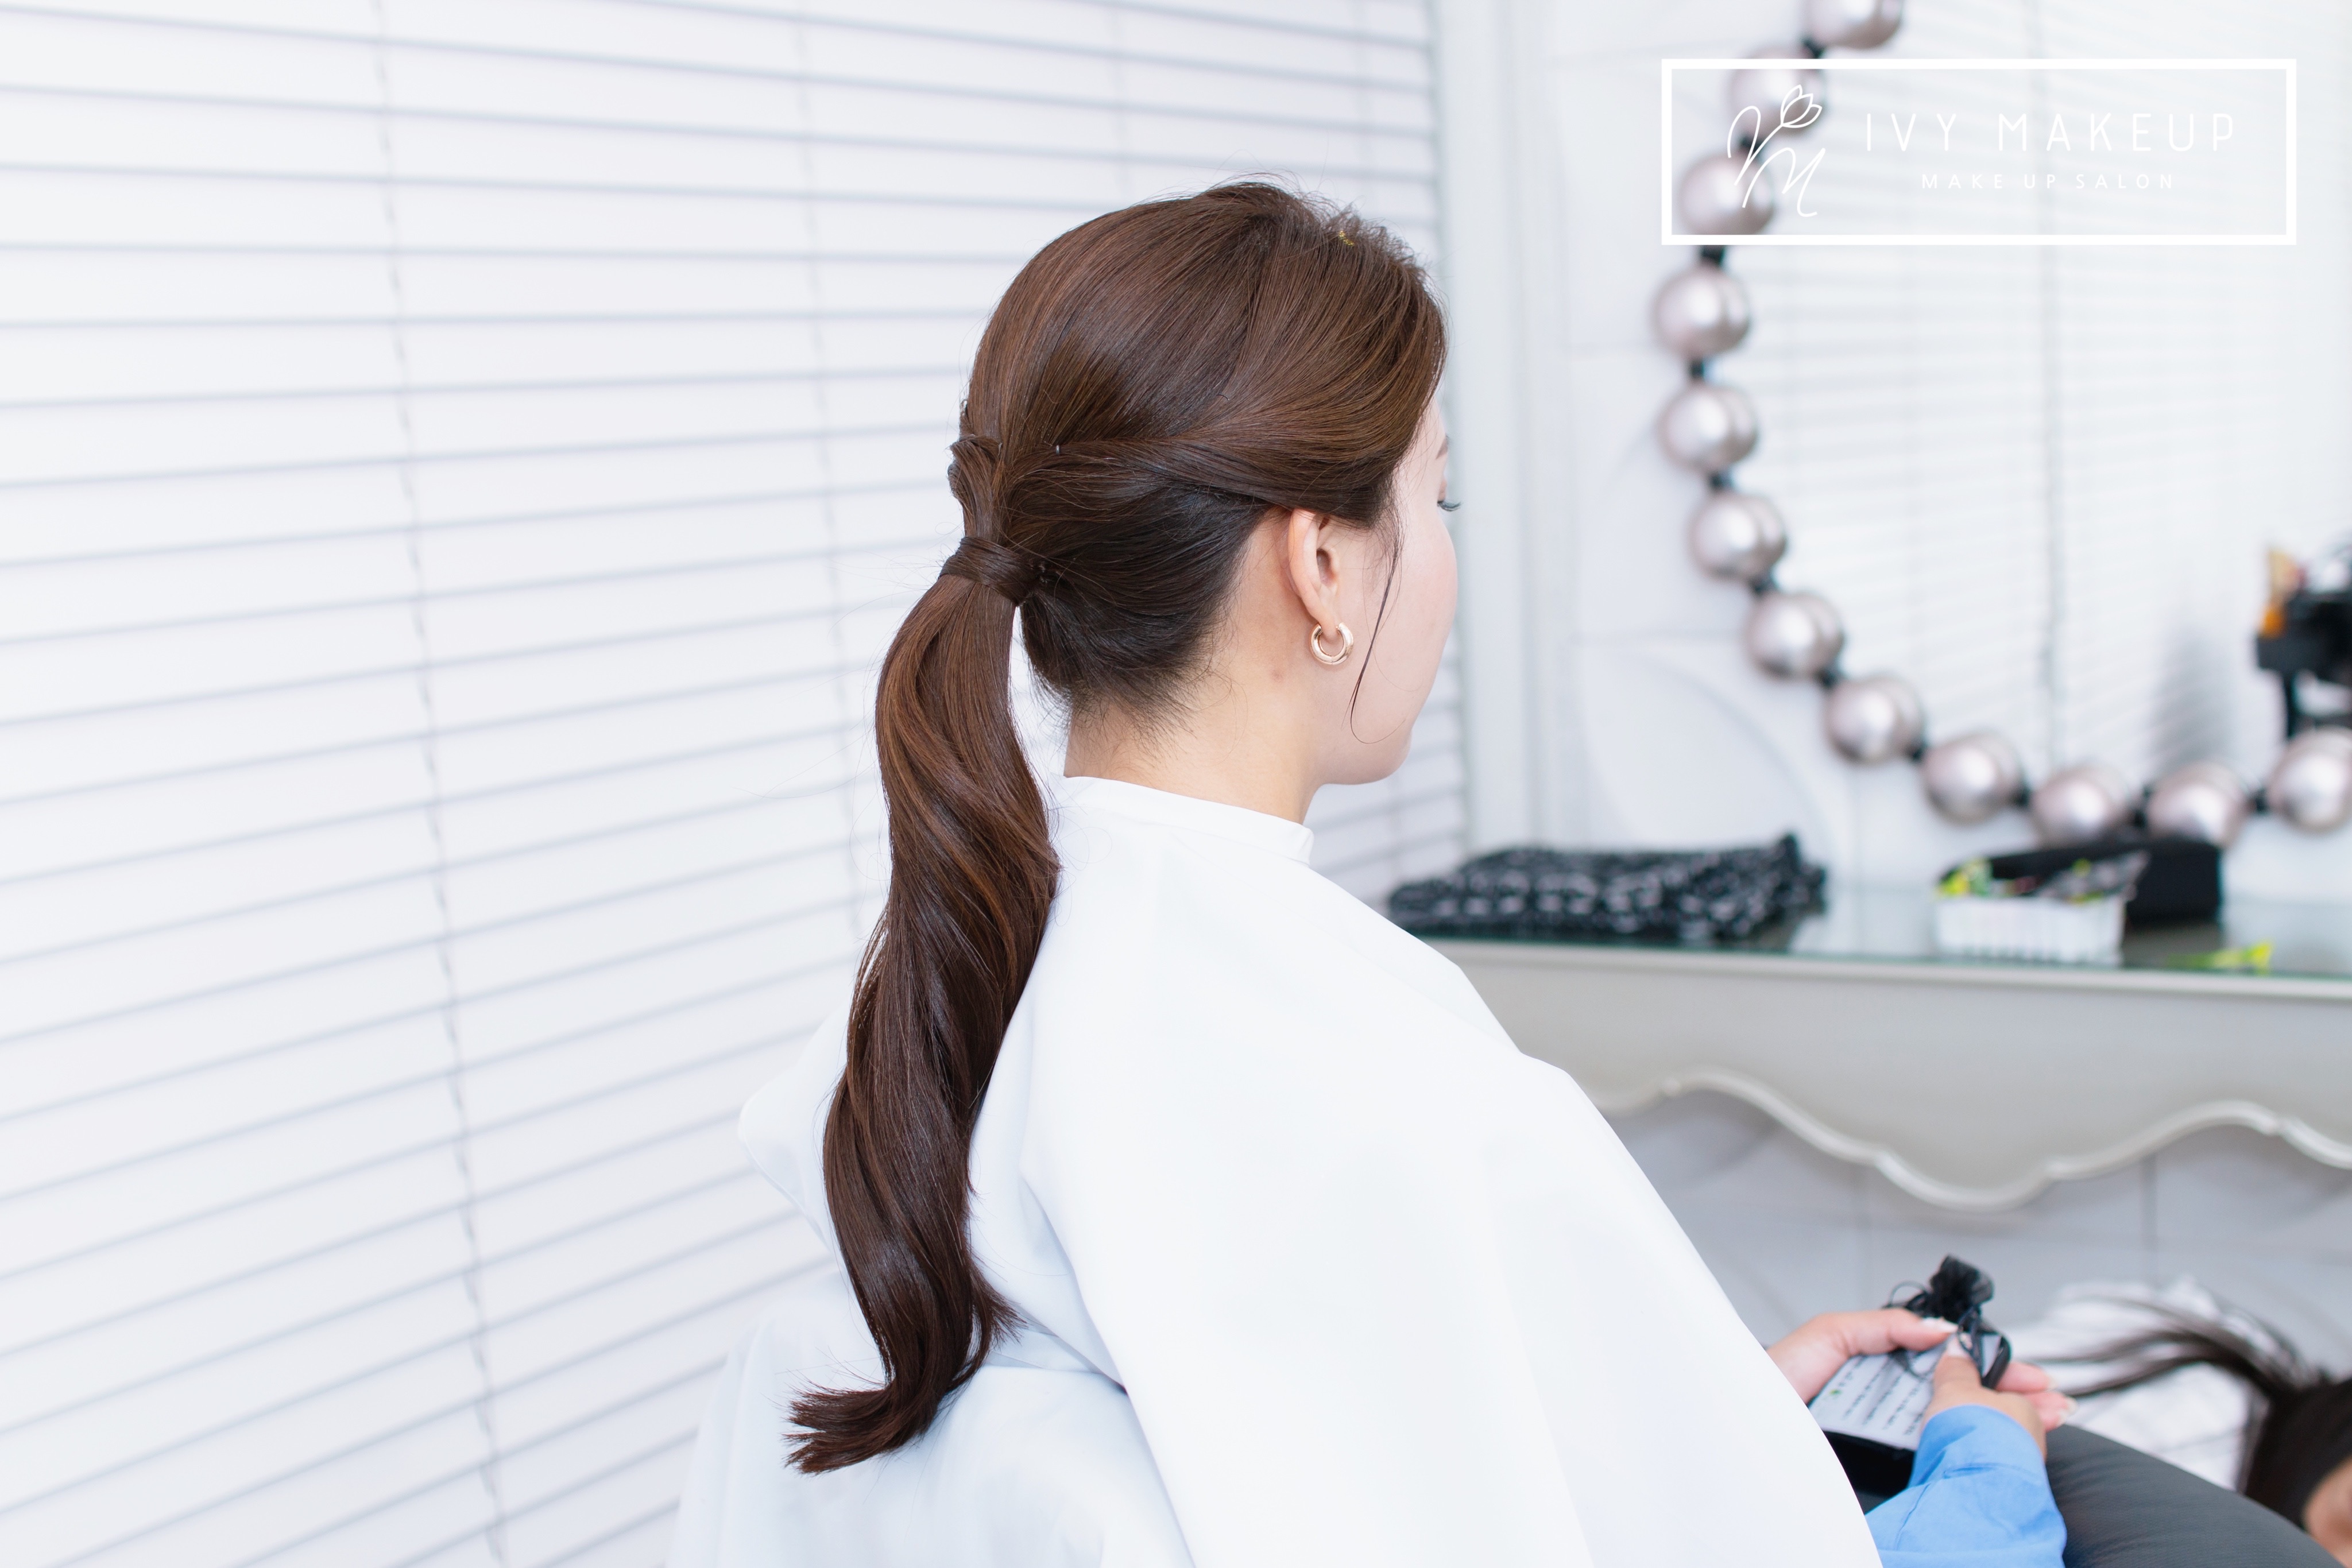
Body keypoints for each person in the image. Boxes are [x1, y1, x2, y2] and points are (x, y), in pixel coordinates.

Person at [670, 182, 2067, 1567]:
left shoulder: (944, 1007)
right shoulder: (1397, 1081)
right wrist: (1982, 1463)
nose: (1444, 549)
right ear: (1323, 566)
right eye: (1433, 495)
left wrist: (1698, 1416)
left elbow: (1297, 1460)